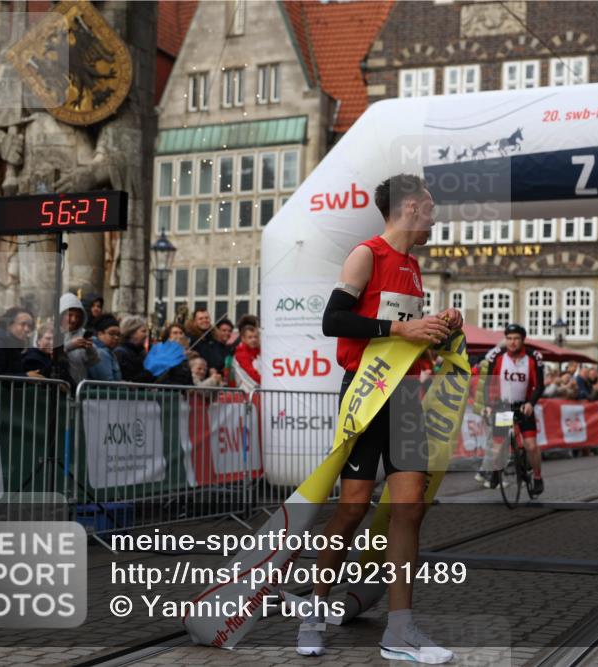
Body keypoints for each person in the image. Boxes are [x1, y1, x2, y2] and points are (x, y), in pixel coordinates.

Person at [300, 174, 461, 663]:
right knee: (351, 509)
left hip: (405, 394)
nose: (435, 216)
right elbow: (333, 320)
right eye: (430, 206)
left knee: (410, 506)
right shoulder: (367, 253)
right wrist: (401, 326)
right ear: (410, 207)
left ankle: (401, 629)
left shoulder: (413, 266)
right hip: (366, 393)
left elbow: (404, 335)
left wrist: (437, 327)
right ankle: (313, 613)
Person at [473, 324, 545, 497]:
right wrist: (489, 405)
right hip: (504, 407)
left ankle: (537, 477)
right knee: (498, 447)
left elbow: (539, 385)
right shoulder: (498, 358)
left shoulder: (533, 358)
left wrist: (531, 403)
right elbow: (488, 383)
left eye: (517, 339)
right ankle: (497, 473)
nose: (513, 342)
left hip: (523, 406)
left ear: (523, 340)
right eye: (510, 338)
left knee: (531, 445)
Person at [58, 293, 98, 385]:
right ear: (61, 315)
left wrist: (89, 348)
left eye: (78, 317)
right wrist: (69, 346)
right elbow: (48, 355)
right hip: (57, 386)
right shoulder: (50, 331)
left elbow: (93, 361)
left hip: (78, 386)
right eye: (70, 315)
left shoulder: (82, 333)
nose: (74, 320)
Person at [0, 306, 35, 376]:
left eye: (30, 326)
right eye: (23, 324)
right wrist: (26, 376)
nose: (27, 329)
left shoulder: (14, 343)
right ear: (9, 324)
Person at [115, 315, 154, 382]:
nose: (146, 335)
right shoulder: (121, 353)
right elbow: (129, 378)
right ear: (132, 333)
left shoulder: (142, 352)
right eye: (143, 331)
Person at [189, 308, 228, 373]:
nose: (204, 320)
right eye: (201, 318)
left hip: (217, 375)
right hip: (199, 375)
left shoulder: (215, 337)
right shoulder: (191, 338)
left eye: (206, 318)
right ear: (195, 321)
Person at [87, 314, 123, 381]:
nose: (116, 337)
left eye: (118, 334)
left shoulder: (109, 351)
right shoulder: (100, 353)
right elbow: (107, 382)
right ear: (100, 334)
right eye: (112, 334)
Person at [229, 321, 261, 390]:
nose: (254, 340)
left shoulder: (257, 351)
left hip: (254, 389)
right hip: (246, 391)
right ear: (243, 339)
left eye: (255, 337)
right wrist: (266, 382)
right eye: (250, 337)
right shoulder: (241, 353)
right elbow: (251, 373)